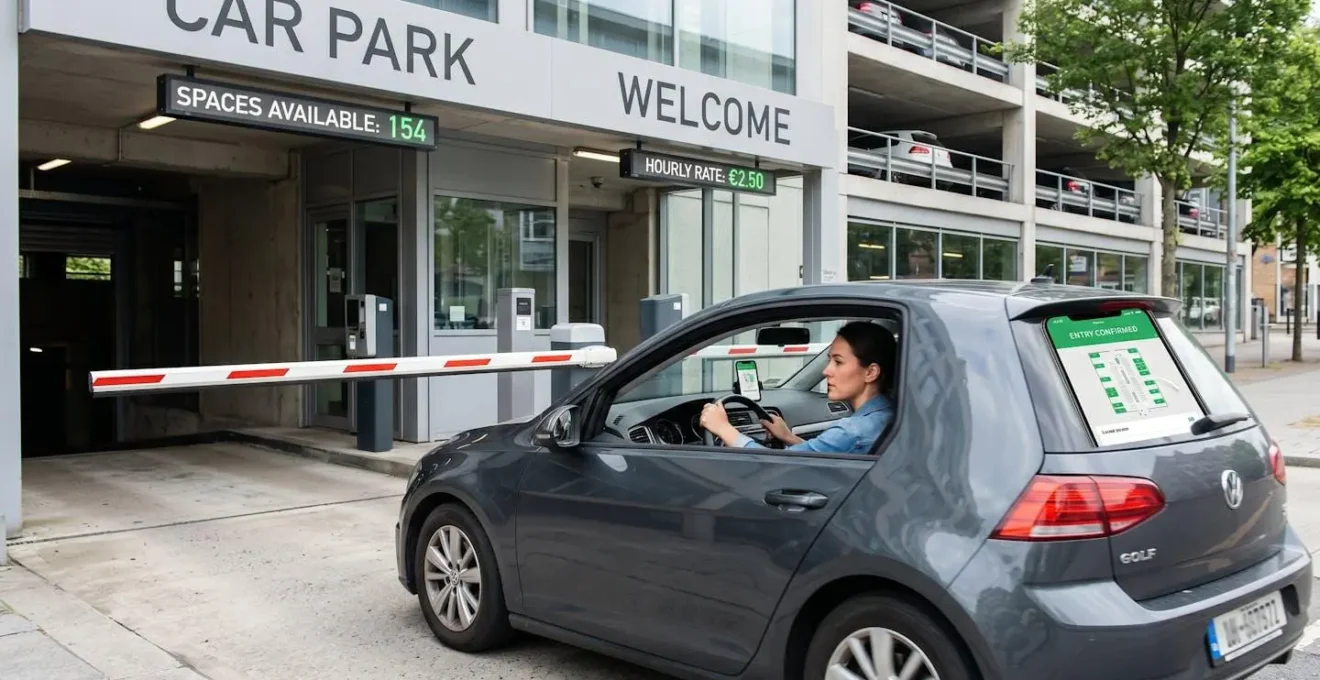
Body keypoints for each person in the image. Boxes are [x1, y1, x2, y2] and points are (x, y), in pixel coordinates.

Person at [699, 321, 897, 454]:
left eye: (838, 362)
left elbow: (772, 466)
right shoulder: (889, 415)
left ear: (871, 372)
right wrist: (788, 437)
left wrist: (723, 428)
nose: (826, 371)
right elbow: (822, 456)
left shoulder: (851, 432)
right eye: (829, 361)